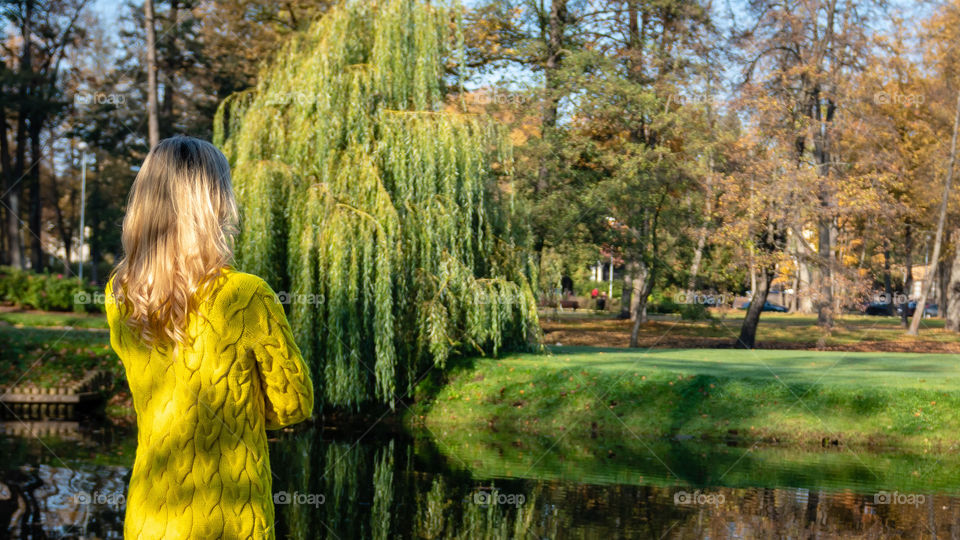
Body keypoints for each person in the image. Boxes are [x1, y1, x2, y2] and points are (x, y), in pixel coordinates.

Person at [104, 136, 314, 540]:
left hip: (149, 515)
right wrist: (237, 406)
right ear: (214, 201)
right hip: (231, 518)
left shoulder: (120, 295)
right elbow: (294, 405)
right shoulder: (246, 294)